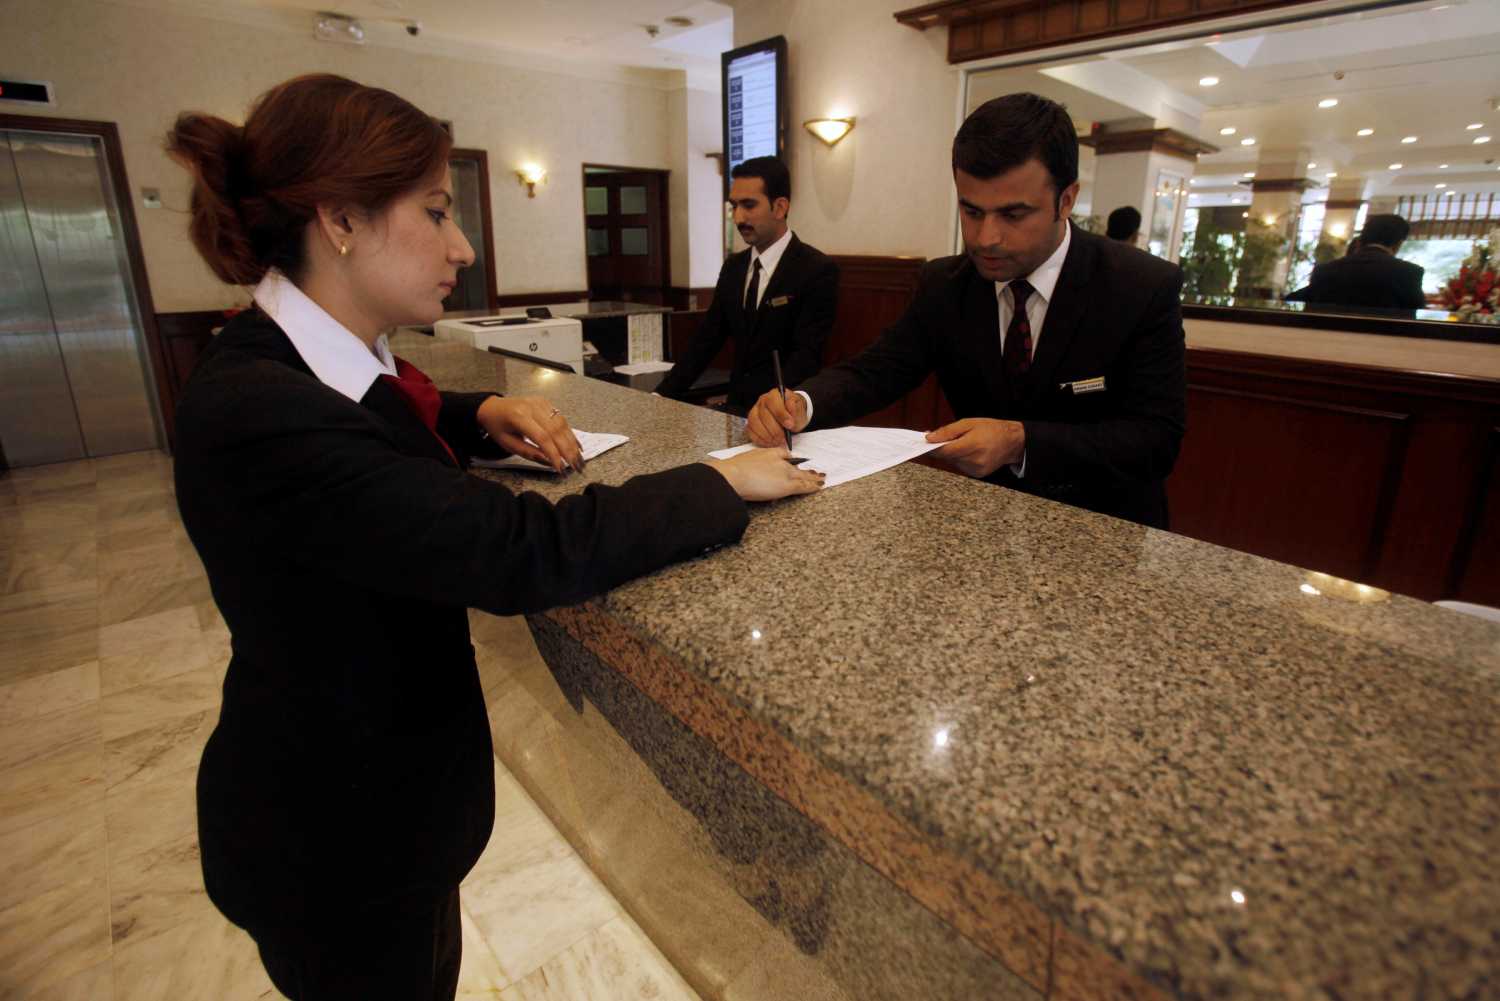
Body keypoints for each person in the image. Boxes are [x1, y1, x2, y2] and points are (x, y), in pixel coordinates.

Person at [166, 74, 823, 1001]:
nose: (462, 245)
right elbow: (524, 551)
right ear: (342, 219)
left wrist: (481, 415)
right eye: (435, 213)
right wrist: (714, 480)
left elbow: (371, 428)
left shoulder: (294, 365)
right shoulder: (257, 411)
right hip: (335, 840)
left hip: (384, 819)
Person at [746, 92, 1186, 528]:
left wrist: (1020, 442)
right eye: (971, 211)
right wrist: (801, 402)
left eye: (1013, 215)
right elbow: (876, 371)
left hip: (1105, 530)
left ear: (1066, 200)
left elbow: (1155, 439)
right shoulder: (946, 283)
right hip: (984, 523)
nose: (986, 238)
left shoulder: (1141, 287)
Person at [654, 156, 839, 415]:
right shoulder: (734, 268)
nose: (738, 217)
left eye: (749, 205)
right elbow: (706, 340)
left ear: (780, 207)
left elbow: (806, 356)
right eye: (734, 206)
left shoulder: (816, 269)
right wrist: (660, 396)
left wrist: (775, 408)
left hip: (784, 417)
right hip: (736, 411)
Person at [1285, 214, 1426, 312]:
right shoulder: (1409, 272)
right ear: (1398, 243)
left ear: (1360, 240)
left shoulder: (1325, 270)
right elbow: (1414, 314)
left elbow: (1303, 303)